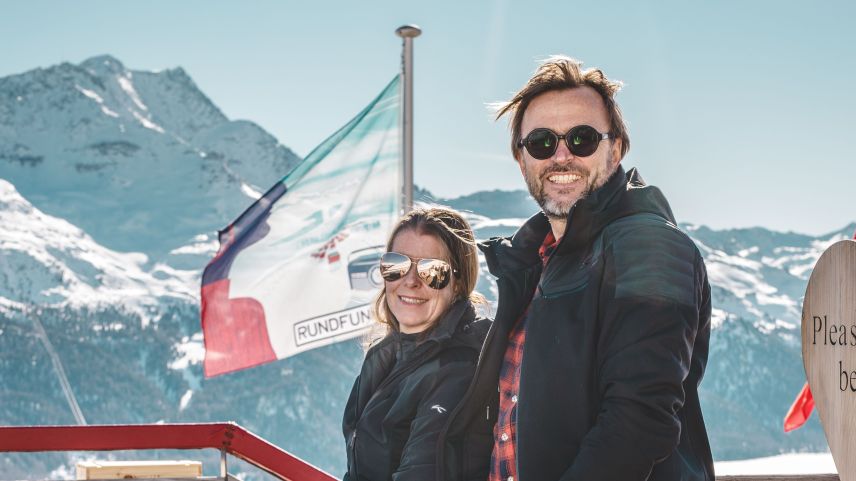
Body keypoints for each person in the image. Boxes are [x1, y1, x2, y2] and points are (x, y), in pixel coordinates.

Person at [442, 56, 714, 481]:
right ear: (522, 159)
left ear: (617, 149)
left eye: (583, 139)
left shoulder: (649, 246)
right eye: (542, 143)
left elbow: (638, 423)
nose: (562, 156)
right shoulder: (535, 262)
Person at [342, 207, 491, 481]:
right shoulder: (386, 356)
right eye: (396, 265)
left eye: (432, 271)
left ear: (458, 284)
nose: (410, 281)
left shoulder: (458, 370)